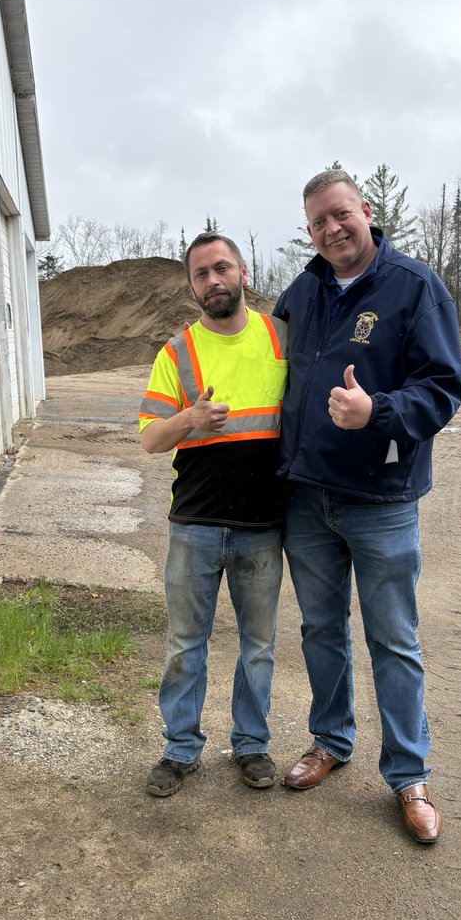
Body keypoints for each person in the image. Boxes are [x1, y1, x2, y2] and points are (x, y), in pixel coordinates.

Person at [272, 168, 461, 843]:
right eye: (317, 222)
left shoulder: (413, 287)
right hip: (307, 500)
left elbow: (442, 388)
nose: (331, 230)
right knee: (320, 632)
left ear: (366, 211)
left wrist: (376, 410)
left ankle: (409, 777)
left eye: (339, 215)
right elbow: (275, 378)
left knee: (394, 641)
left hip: (381, 500)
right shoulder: (303, 292)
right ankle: (330, 741)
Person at [139, 233, 288, 796]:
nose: (213, 281)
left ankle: (251, 745)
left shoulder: (281, 339)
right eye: (201, 274)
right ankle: (180, 750)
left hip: (262, 526)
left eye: (221, 268)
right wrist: (189, 421)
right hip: (195, 525)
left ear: (244, 271)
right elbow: (151, 438)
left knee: (259, 646)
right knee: (185, 644)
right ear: (192, 286)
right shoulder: (176, 352)